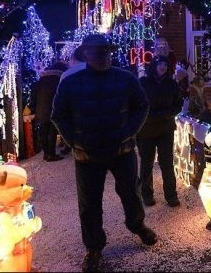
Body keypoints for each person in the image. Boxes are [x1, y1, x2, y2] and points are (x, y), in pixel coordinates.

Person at [51, 34, 156, 273]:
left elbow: (142, 105)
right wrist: (75, 141)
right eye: (97, 51)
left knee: (131, 192)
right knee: (89, 203)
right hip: (87, 155)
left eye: (107, 51)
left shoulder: (125, 79)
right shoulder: (71, 83)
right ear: (85, 54)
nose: (103, 55)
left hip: (122, 150)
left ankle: (137, 225)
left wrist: (129, 131)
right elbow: (58, 115)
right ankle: (94, 247)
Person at [138, 55, 182, 207]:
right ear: (154, 66)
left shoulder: (172, 84)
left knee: (167, 164)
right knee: (146, 164)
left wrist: (167, 114)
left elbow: (178, 104)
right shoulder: (143, 83)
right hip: (146, 130)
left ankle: (171, 195)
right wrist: (151, 116)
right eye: (159, 64)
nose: (162, 67)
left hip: (165, 129)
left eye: (165, 64)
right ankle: (147, 195)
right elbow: (138, 104)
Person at [31, 61, 68, 162]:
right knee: (52, 131)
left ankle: (46, 153)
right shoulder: (59, 80)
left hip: (41, 109)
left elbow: (33, 95)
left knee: (43, 130)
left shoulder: (41, 80)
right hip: (53, 108)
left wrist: (34, 108)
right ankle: (51, 154)